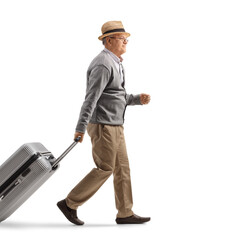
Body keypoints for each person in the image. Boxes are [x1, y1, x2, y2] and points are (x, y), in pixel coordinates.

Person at [57, 20, 151, 225]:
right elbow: (91, 98)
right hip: (102, 125)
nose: (126, 41)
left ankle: (125, 212)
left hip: (116, 125)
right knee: (105, 168)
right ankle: (70, 203)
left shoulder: (116, 62)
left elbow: (116, 96)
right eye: (122, 38)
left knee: (123, 168)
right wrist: (80, 128)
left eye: (126, 38)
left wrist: (136, 99)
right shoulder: (102, 64)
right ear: (109, 40)